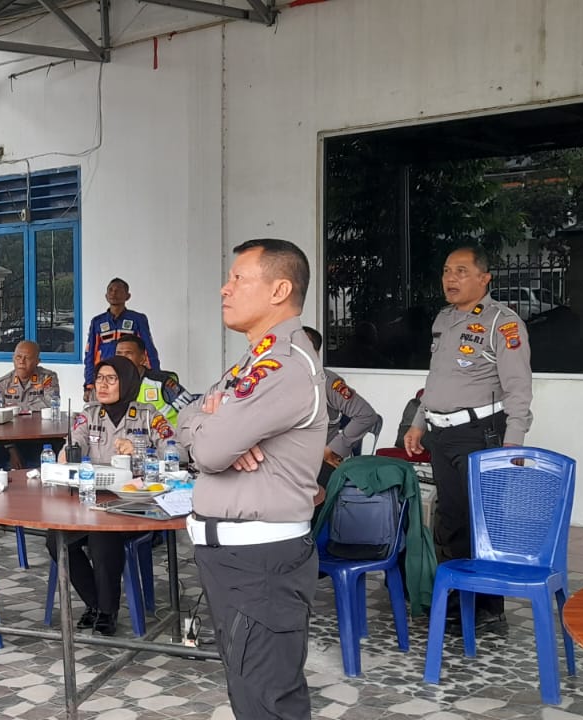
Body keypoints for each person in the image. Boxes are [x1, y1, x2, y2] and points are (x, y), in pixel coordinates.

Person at [174, 238, 325, 720]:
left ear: (280, 289)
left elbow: (212, 449)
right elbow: (186, 428)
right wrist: (211, 427)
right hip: (236, 560)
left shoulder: (283, 365)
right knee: (249, 691)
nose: (225, 287)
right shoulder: (253, 362)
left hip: (259, 564)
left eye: (239, 278)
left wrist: (216, 434)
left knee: (266, 701)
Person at [402, 245, 532, 631]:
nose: (451, 279)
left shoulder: (502, 324)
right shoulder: (443, 320)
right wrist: (418, 422)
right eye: (446, 271)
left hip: (480, 435)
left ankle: (488, 608)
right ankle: (458, 601)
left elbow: (519, 388)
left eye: (461, 271)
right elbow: (436, 380)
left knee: (481, 523)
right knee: (450, 520)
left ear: (484, 278)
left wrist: (513, 443)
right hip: (441, 435)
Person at [52, 357, 172, 636]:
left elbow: (177, 451)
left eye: (111, 379)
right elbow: (75, 442)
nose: (102, 385)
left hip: (134, 504)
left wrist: (140, 451)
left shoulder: (148, 415)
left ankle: (107, 611)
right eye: (99, 379)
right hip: (91, 500)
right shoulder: (89, 414)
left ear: (128, 382)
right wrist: (66, 453)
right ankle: (95, 602)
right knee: (56, 539)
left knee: (101, 536)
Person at [302, 327, 383, 473]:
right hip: (284, 461)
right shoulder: (275, 380)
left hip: (317, 462)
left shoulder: (327, 383)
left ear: (313, 352)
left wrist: (333, 449)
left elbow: (366, 415)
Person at [83, 278, 158, 402]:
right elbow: (90, 354)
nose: (114, 293)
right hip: (106, 376)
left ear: (127, 296)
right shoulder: (97, 321)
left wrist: (155, 376)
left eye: (118, 290)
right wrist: (89, 384)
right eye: (111, 290)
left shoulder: (138, 319)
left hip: (131, 377)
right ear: (106, 296)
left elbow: (148, 349)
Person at [111, 335, 196, 427]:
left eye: (128, 353)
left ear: (142, 359)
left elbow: (193, 412)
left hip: (170, 438)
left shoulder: (162, 383)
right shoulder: (112, 384)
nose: (123, 358)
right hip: (134, 439)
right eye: (119, 354)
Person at [0, 340, 61, 412]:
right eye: (18, 357)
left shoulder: (47, 378)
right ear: (13, 359)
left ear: (37, 361)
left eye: (27, 358)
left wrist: (17, 407)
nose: (21, 361)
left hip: (38, 422)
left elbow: (51, 404)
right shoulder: (3, 383)